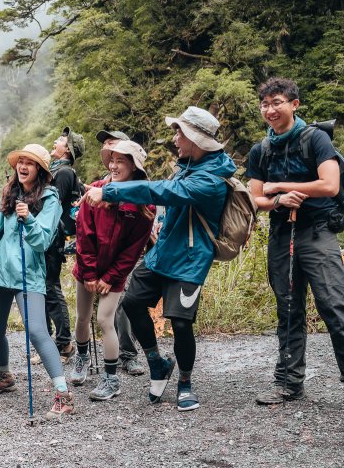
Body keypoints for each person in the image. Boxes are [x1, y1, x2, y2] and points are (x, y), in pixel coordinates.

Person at [83, 106, 235, 412]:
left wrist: (111, 191)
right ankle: (157, 362)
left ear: (196, 138)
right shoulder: (188, 165)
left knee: (180, 323)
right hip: (162, 255)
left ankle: (186, 383)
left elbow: (164, 191)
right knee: (133, 302)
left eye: (179, 132)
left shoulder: (211, 179)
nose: (175, 138)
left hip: (190, 261)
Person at [246, 77, 344, 409]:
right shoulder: (260, 150)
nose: (270, 109)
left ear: (294, 104)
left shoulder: (316, 138)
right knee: (288, 310)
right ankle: (288, 383)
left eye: (277, 102)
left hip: (317, 231)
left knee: (334, 306)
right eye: (264, 104)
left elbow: (330, 185)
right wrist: (277, 199)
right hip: (281, 233)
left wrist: (280, 186)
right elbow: (254, 198)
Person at [0, 143, 73, 420]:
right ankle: (5, 375)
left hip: (28, 274)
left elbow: (42, 240)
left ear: (41, 170)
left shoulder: (50, 198)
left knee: (37, 332)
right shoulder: (9, 192)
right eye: (20, 161)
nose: (23, 166)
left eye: (29, 163)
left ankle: (63, 394)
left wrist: (29, 219)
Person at [69, 140, 155, 401]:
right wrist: (91, 273)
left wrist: (110, 278)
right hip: (87, 268)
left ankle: (111, 379)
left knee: (105, 320)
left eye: (122, 161)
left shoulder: (143, 206)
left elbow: (132, 250)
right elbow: (84, 235)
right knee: (83, 317)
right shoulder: (95, 191)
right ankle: (81, 358)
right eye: (112, 160)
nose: (114, 165)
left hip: (114, 275)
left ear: (134, 167)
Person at [93, 127, 145, 376]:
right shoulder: (101, 183)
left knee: (124, 303)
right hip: (103, 254)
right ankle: (117, 353)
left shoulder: (136, 186)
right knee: (106, 311)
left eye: (113, 144)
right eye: (106, 146)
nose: (108, 148)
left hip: (129, 255)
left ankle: (129, 354)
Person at [40, 127, 85, 362]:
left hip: (53, 238)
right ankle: (49, 343)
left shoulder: (65, 173)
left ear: (66, 149)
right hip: (48, 236)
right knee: (44, 288)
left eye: (60, 139)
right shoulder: (55, 171)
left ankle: (64, 343)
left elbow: (53, 208)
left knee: (51, 288)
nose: (56, 140)